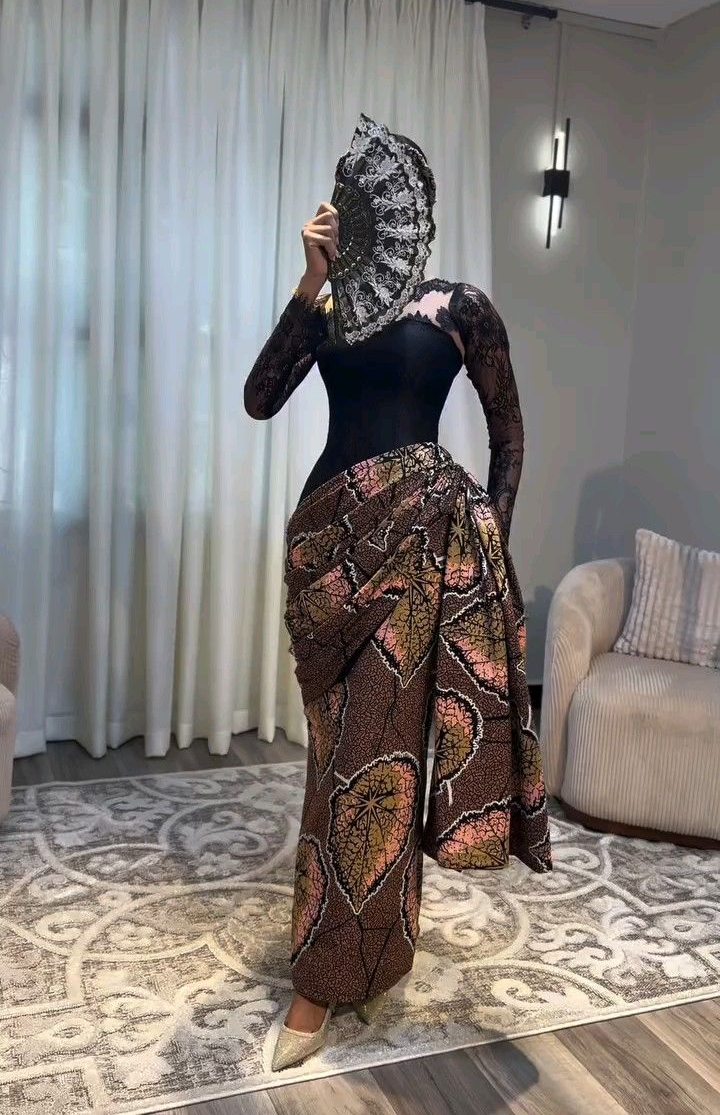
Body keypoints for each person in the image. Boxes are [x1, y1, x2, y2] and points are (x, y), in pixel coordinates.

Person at [243, 113, 552, 1072]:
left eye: (372, 194)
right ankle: (365, 949)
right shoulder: (335, 307)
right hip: (325, 553)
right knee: (336, 757)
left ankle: (326, 980)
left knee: (375, 761)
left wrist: (489, 534)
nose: (356, 210)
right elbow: (260, 396)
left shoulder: (461, 307)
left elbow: (509, 433)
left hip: (419, 554)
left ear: (408, 200)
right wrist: (309, 283)